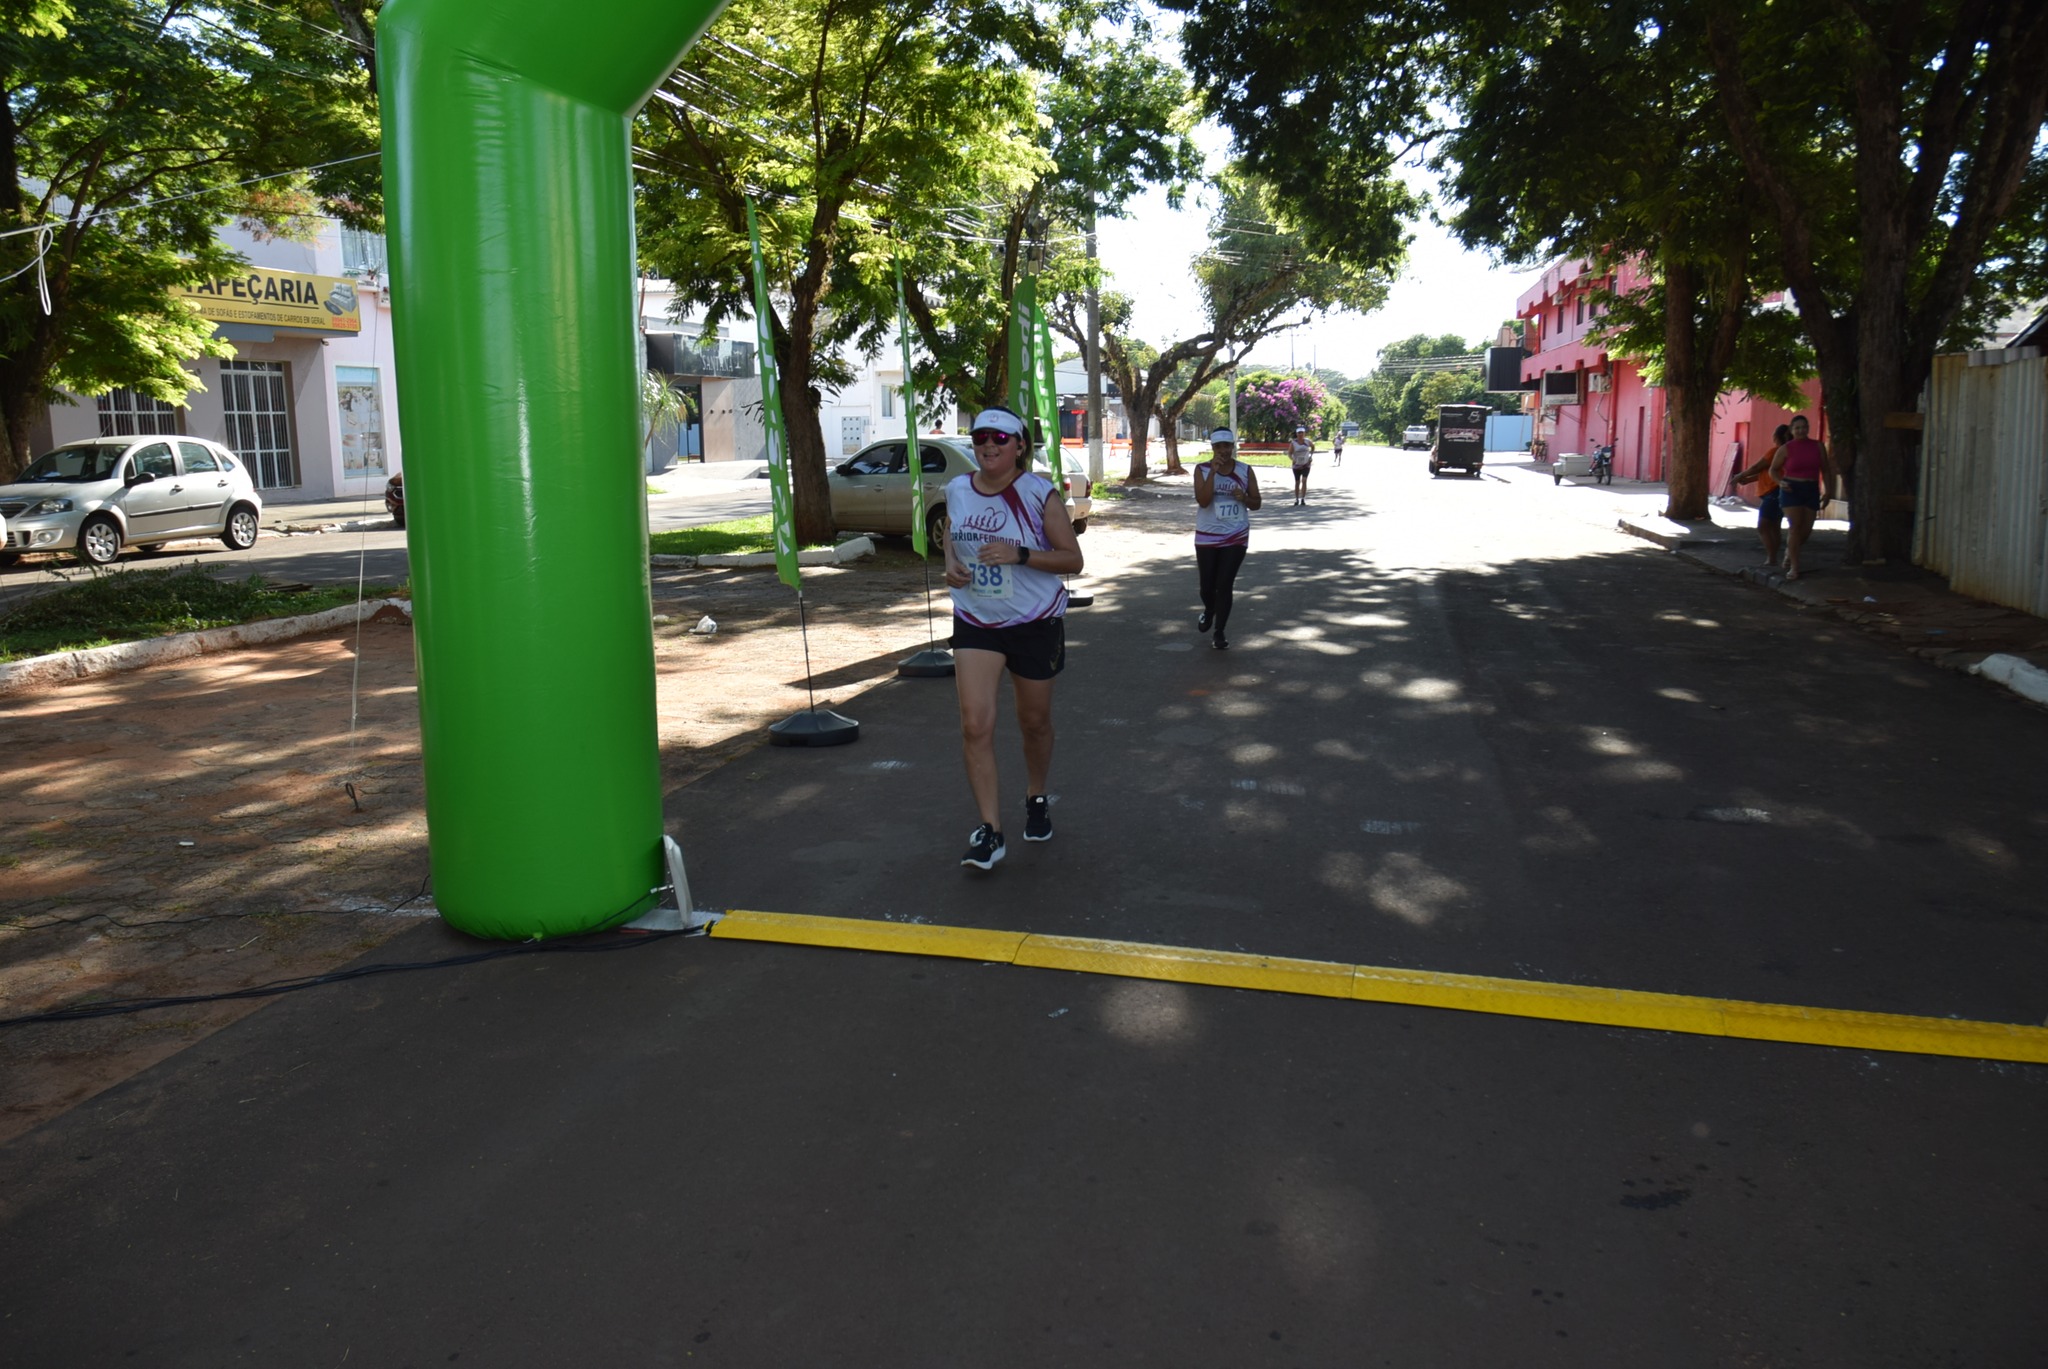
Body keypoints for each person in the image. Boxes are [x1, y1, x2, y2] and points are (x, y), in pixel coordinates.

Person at [942, 405, 1085, 871]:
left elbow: (1071, 560)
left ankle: (1037, 796)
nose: (988, 444)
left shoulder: (1038, 494)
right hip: (976, 620)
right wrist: (951, 567)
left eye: (1000, 439)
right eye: (981, 436)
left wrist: (1019, 554)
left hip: (1034, 621)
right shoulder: (958, 489)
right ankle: (991, 830)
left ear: (1020, 446)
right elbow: (951, 536)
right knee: (974, 724)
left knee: (1034, 722)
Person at [1193, 426, 1261, 650]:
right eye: (1218, 446)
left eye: (1227, 446)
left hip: (1235, 535)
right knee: (1206, 586)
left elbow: (1257, 503)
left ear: (1233, 446)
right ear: (1212, 448)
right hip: (1207, 535)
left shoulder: (1244, 470)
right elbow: (1203, 501)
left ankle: (1219, 632)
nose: (1223, 450)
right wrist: (1213, 472)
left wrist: (1244, 498)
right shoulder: (1201, 470)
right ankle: (1209, 610)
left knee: (1224, 584)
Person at [1767, 413, 1837, 581]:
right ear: (1792, 430)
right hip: (1791, 488)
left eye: (1804, 427)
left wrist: (1828, 491)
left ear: (1808, 429)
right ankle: (1794, 567)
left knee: (1805, 531)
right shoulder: (1786, 448)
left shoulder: (1818, 446)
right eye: (1797, 428)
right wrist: (1780, 482)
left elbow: (1825, 470)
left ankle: (1789, 552)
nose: (1801, 431)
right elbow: (1773, 470)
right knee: (1794, 527)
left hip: (1811, 489)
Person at [1731, 423, 1790, 569]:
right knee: (1775, 526)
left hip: (1773, 493)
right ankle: (1774, 557)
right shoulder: (1787, 452)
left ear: (1775, 436)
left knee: (1763, 527)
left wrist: (1739, 475)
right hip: (1780, 492)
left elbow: (1757, 467)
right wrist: (1748, 479)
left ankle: (1771, 559)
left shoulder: (1774, 452)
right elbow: (1766, 473)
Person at [1288, 425, 1314, 505]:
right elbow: (1289, 453)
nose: (1300, 434)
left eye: (1302, 433)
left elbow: (1313, 447)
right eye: (1299, 433)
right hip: (1297, 465)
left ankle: (1303, 498)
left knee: (1304, 480)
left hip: (1306, 464)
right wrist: (1293, 459)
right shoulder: (1294, 443)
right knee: (1297, 482)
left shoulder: (1307, 441)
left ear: (1304, 433)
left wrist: (1311, 456)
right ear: (1296, 434)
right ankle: (1296, 499)